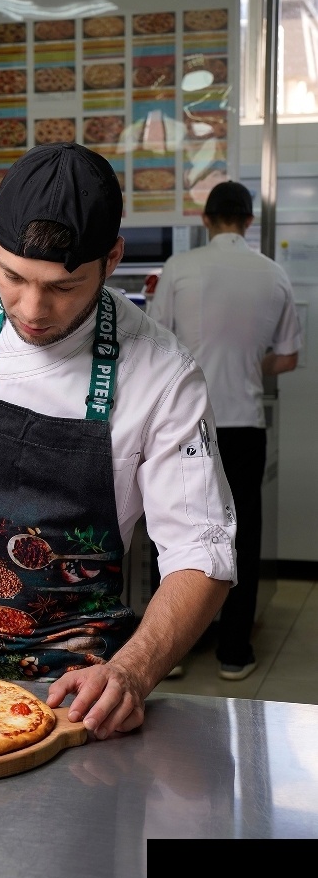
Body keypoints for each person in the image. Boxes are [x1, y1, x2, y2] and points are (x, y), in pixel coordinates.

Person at [0, 142, 235, 741]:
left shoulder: (163, 373)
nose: (33, 309)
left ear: (112, 259)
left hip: (78, 691)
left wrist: (132, 672)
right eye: (12, 276)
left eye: (64, 286)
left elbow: (202, 552)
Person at [151, 180, 302, 681]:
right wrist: (249, 366)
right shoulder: (274, 274)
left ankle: (172, 652)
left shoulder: (179, 267)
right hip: (244, 424)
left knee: (176, 529)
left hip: (184, 422)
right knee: (243, 532)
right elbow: (288, 357)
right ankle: (235, 651)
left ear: (206, 219)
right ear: (248, 221)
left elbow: (155, 344)